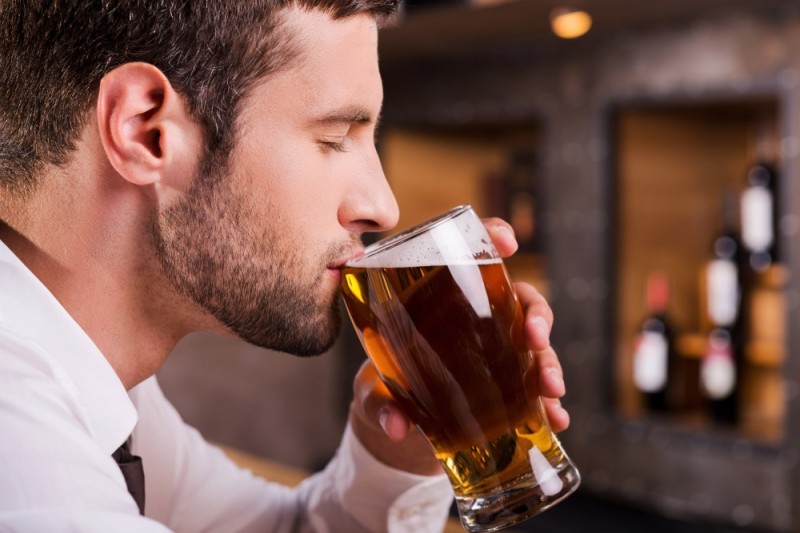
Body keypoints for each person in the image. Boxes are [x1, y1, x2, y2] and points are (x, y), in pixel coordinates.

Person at [0, 1, 570, 531]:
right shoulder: (24, 454)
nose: (382, 206)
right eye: (334, 137)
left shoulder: (104, 390)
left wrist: (395, 453)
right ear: (146, 131)